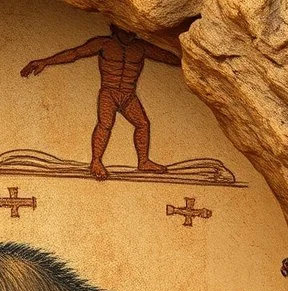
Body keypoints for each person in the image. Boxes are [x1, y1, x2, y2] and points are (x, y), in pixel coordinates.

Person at [21, 25, 181, 179]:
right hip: (109, 93)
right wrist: (46, 61)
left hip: (128, 95)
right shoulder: (104, 44)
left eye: (132, 32)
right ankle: (96, 161)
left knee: (143, 124)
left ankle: (144, 162)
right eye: (125, 31)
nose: (129, 35)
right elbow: (75, 53)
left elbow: (166, 57)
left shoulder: (140, 47)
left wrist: (191, 60)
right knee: (105, 125)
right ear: (116, 29)